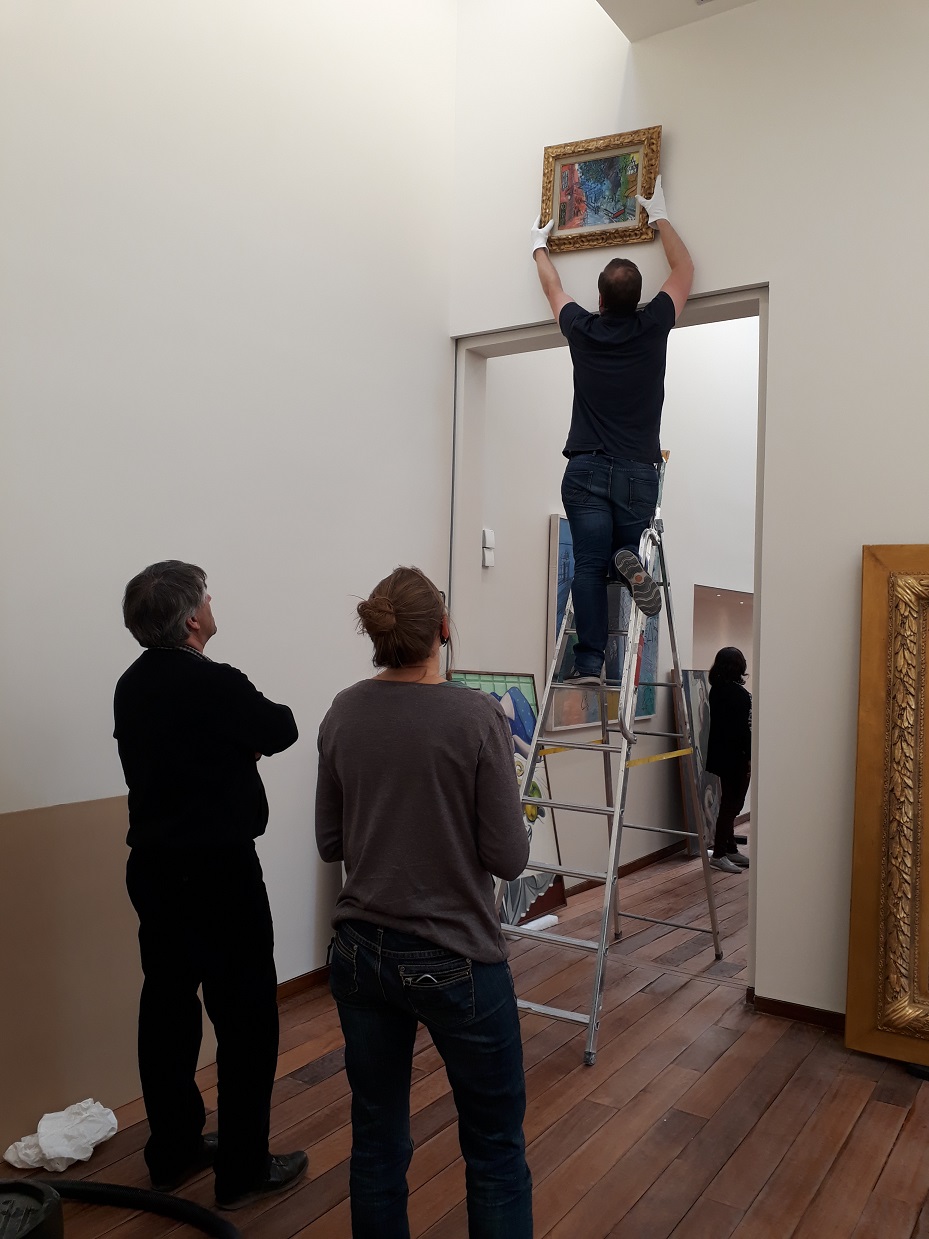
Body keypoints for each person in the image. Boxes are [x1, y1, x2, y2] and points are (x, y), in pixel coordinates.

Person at [315, 566, 533, 1239]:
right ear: (442, 628)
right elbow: (509, 858)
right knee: (495, 1151)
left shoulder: (343, 710)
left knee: (376, 1141)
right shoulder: (476, 716)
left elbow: (330, 842)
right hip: (456, 957)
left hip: (359, 954)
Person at [113, 560, 307, 1209]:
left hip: (154, 870)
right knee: (246, 1017)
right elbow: (282, 726)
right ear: (193, 618)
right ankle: (242, 1169)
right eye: (206, 597)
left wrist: (228, 746)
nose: (212, 603)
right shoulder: (216, 682)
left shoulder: (130, 685)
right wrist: (237, 746)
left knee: (167, 1008)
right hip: (220, 872)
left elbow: (173, 754)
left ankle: (171, 1152)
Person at [530, 175, 695, 685]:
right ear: (638, 298)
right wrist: (659, 215)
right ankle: (628, 561)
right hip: (637, 472)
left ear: (599, 300)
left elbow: (554, 289)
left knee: (587, 564)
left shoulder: (583, 330)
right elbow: (684, 270)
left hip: (586, 468)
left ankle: (588, 664)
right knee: (621, 553)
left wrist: (539, 245)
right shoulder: (654, 325)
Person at [705, 646, 752, 873]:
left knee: (729, 802)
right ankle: (720, 854)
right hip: (737, 757)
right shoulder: (738, 694)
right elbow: (743, 730)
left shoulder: (717, 690)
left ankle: (730, 848)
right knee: (732, 804)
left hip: (722, 756)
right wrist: (750, 757)